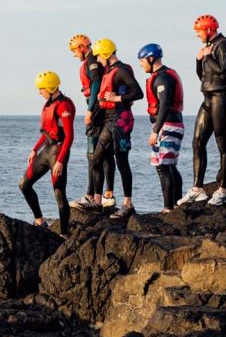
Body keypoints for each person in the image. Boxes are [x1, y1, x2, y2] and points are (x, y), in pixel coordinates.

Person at [179, 14, 226, 207]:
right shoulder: (208, 48)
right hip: (207, 98)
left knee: (223, 144)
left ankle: (223, 190)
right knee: (197, 142)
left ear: (208, 30)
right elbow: (203, 76)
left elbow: (222, 71)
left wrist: (207, 56)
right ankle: (197, 189)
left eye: (198, 32)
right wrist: (199, 60)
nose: (197, 36)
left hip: (222, 98)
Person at [88, 39, 142, 219]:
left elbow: (138, 93)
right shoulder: (109, 71)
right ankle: (96, 201)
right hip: (109, 119)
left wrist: (117, 98)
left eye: (99, 56)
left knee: (121, 161)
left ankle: (128, 204)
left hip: (122, 119)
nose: (98, 60)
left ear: (105, 54)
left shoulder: (121, 70)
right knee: (96, 159)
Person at [19, 71, 76, 230]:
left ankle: (64, 233)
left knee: (59, 193)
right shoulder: (49, 104)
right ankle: (40, 220)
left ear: (50, 87)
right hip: (46, 150)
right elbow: (47, 133)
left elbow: (69, 136)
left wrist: (60, 161)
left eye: (41, 89)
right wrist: (34, 150)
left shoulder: (64, 105)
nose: (39, 92)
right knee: (24, 184)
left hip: (58, 152)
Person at [68, 34, 114, 212]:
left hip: (96, 110)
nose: (74, 55)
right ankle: (106, 194)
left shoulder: (91, 60)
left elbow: (95, 84)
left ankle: (92, 195)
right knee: (105, 152)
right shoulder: (95, 60)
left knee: (93, 153)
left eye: (74, 51)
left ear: (81, 47)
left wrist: (90, 110)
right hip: (102, 109)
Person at [139, 44, 185, 213]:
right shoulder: (161, 76)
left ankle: (168, 207)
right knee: (170, 165)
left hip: (168, 125)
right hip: (170, 124)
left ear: (151, 58)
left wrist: (155, 130)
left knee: (163, 166)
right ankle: (177, 204)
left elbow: (165, 105)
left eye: (142, 61)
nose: (141, 64)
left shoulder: (162, 78)